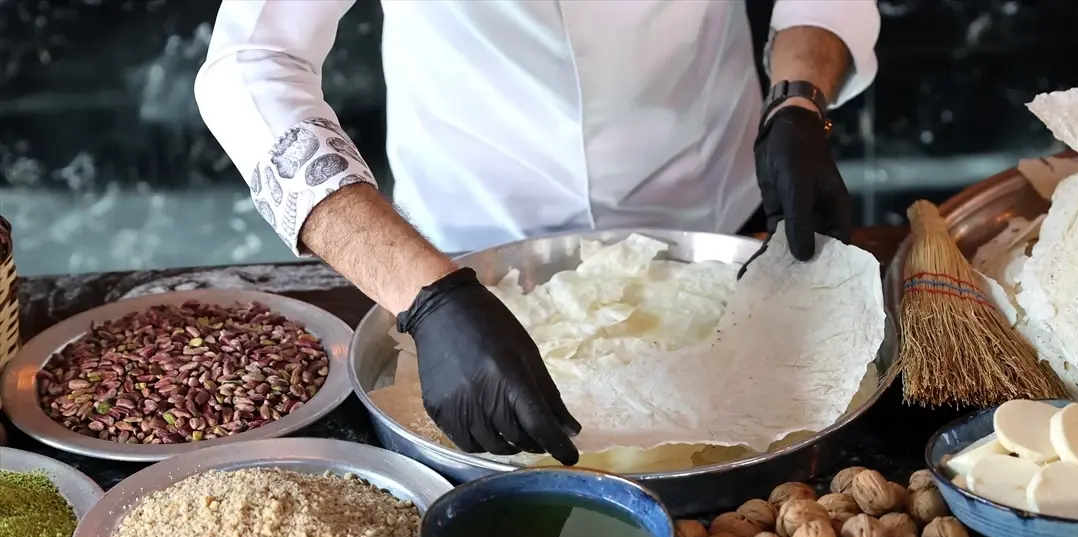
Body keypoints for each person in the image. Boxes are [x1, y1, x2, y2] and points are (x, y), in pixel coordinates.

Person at [195, 0, 881, 466]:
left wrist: (799, 98)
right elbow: (252, 61)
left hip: (712, 219)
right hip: (458, 247)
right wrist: (425, 295)